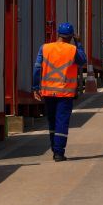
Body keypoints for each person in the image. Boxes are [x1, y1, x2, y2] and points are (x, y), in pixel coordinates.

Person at [32, 22, 87, 162]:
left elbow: (37, 68)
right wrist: (79, 43)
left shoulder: (44, 48)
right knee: (61, 122)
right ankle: (59, 153)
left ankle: (54, 148)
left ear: (58, 34)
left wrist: (35, 88)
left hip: (48, 92)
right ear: (71, 36)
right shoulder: (73, 49)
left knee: (51, 121)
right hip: (64, 93)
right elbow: (83, 61)